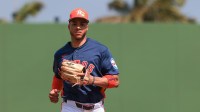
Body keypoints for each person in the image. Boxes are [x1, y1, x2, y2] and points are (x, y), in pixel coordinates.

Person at [48, 8, 120, 112]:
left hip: (96, 107)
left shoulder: (100, 50)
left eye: (82, 24)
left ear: (87, 27)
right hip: (70, 106)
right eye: (74, 24)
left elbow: (115, 80)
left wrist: (92, 80)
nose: (78, 27)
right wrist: (55, 91)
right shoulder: (60, 54)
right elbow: (58, 77)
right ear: (69, 26)